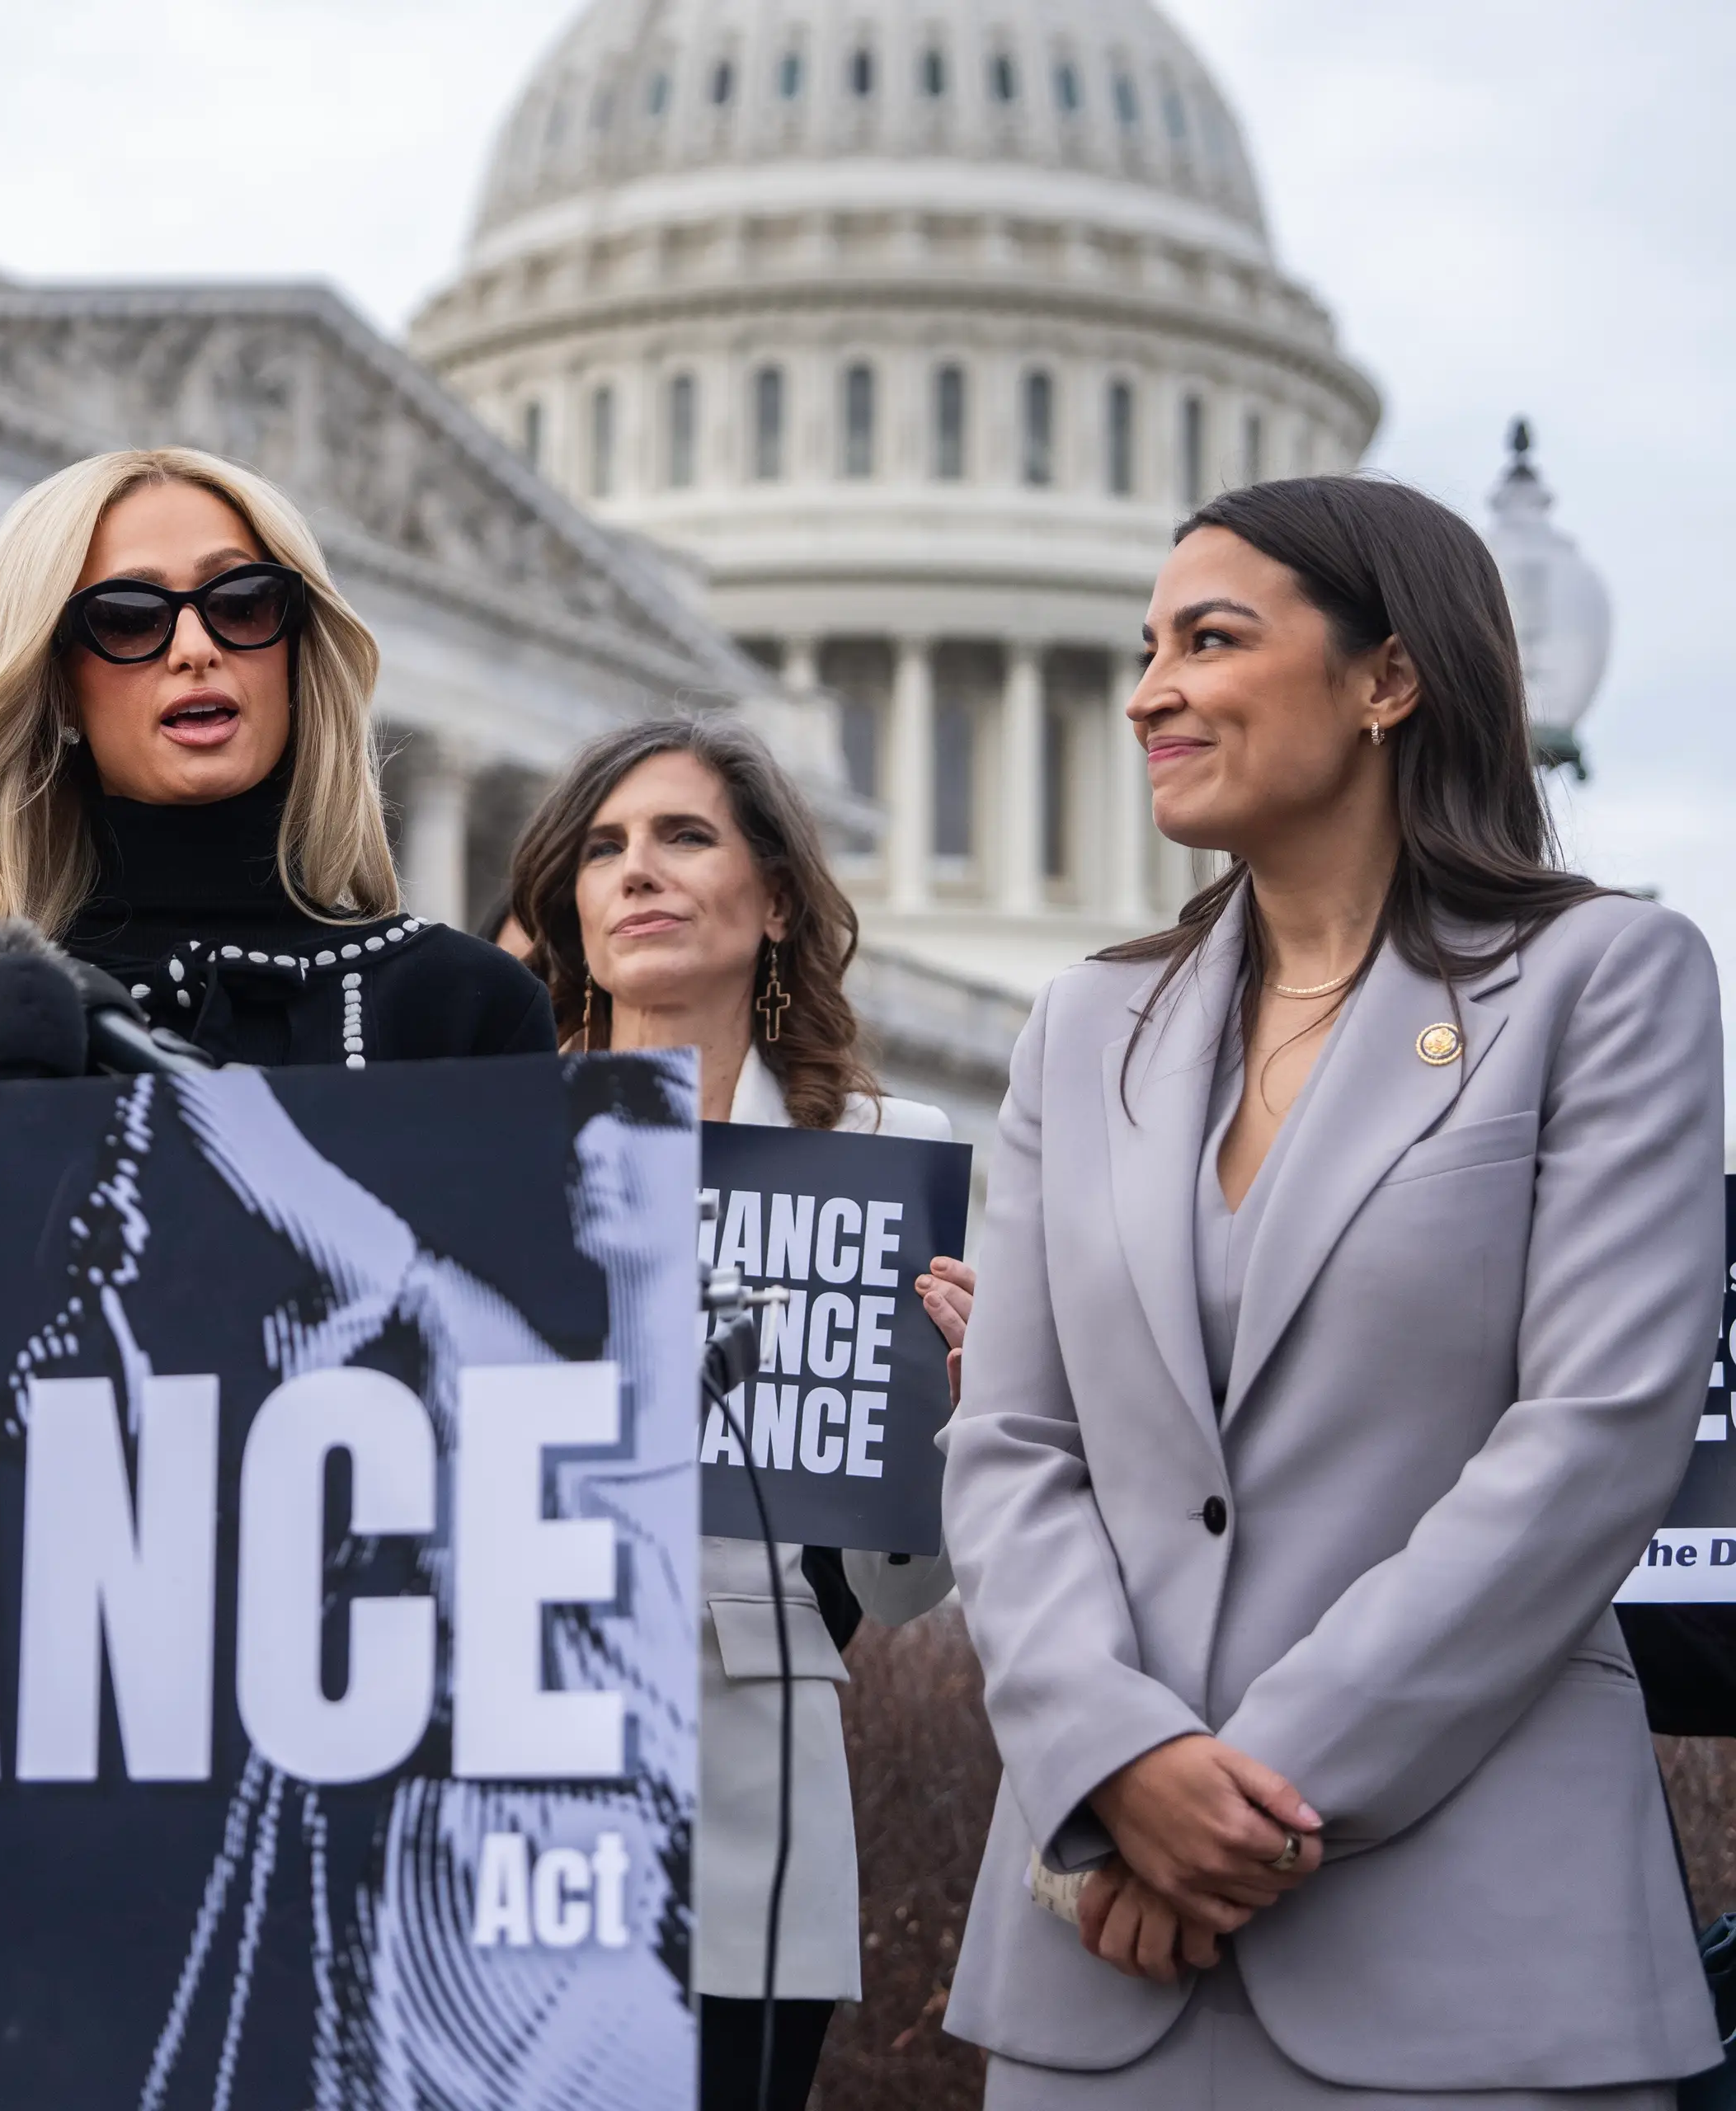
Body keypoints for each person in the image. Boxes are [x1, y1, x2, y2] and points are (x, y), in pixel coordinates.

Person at [939, 476, 1724, 2104]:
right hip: (1107, 1965)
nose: (1150, 688)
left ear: (1390, 676)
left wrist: (1240, 1799)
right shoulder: (1083, 1030)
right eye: (1145, 646)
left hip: (1472, 1950)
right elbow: (1013, 1444)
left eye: (1211, 639)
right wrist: (1116, 1763)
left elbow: (1593, 1434)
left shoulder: (1606, 983)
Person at [506, 713, 971, 2109]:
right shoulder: (481, 1150)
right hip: (509, 1765)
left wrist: (941, 1406)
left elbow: (899, 1595)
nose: (636, 872)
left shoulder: (884, 1167)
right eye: (603, 849)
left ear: (774, 900)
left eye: (682, 837)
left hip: (750, 1793)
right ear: (572, 910)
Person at [0, 445, 549, 1065]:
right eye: (128, 617)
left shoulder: (470, 1005)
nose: (195, 648)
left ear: (297, 655)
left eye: (241, 604)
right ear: (57, 689)